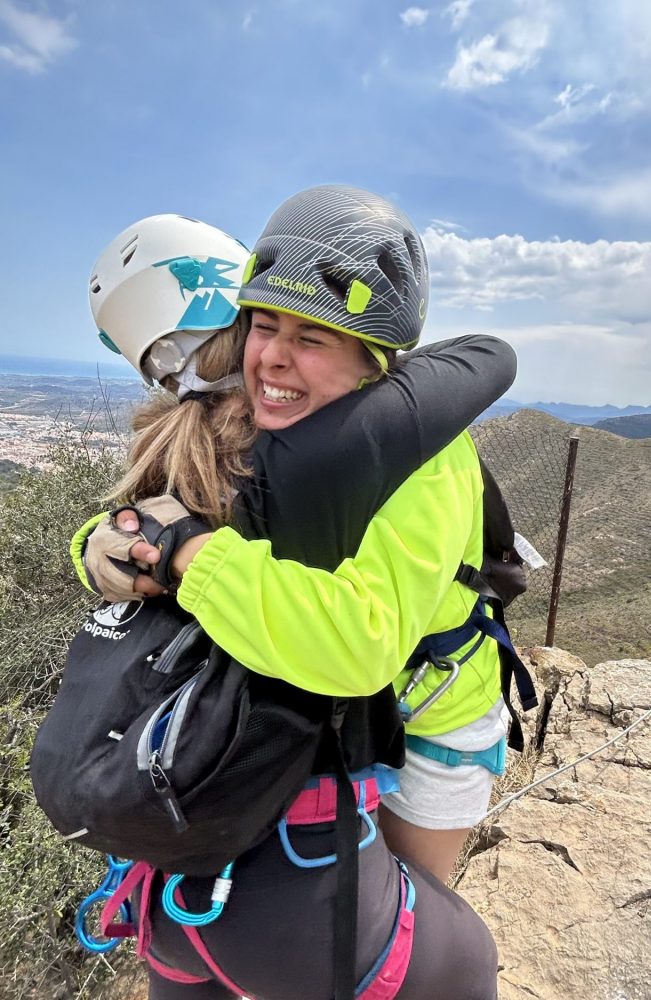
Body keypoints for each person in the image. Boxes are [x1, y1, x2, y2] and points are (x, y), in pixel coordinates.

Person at [78, 188, 520, 998]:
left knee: (402, 921)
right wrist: (101, 546)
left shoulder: (419, 455)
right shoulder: (260, 427)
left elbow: (359, 642)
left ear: (373, 360)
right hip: (328, 726)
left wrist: (192, 558)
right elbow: (145, 515)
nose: (273, 359)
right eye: (264, 327)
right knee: (345, 926)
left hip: (430, 714)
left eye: (312, 337)